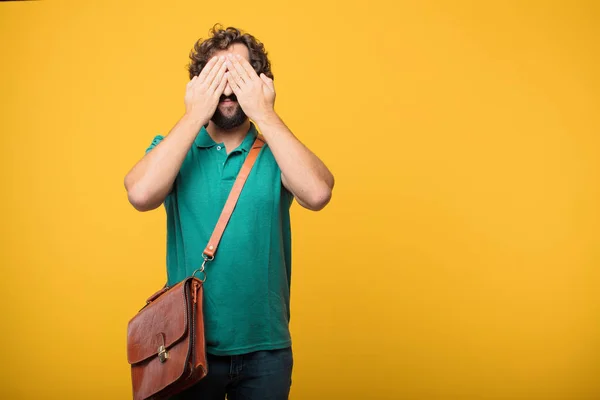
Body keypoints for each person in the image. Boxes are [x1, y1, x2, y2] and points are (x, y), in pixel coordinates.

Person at [123, 24, 335, 400]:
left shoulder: (278, 153)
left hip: (265, 350)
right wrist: (193, 116)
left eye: (239, 74)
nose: (228, 85)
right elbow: (140, 193)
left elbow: (318, 193)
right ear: (197, 84)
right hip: (186, 346)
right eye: (216, 74)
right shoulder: (176, 150)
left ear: (259, 82)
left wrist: (265, 113)